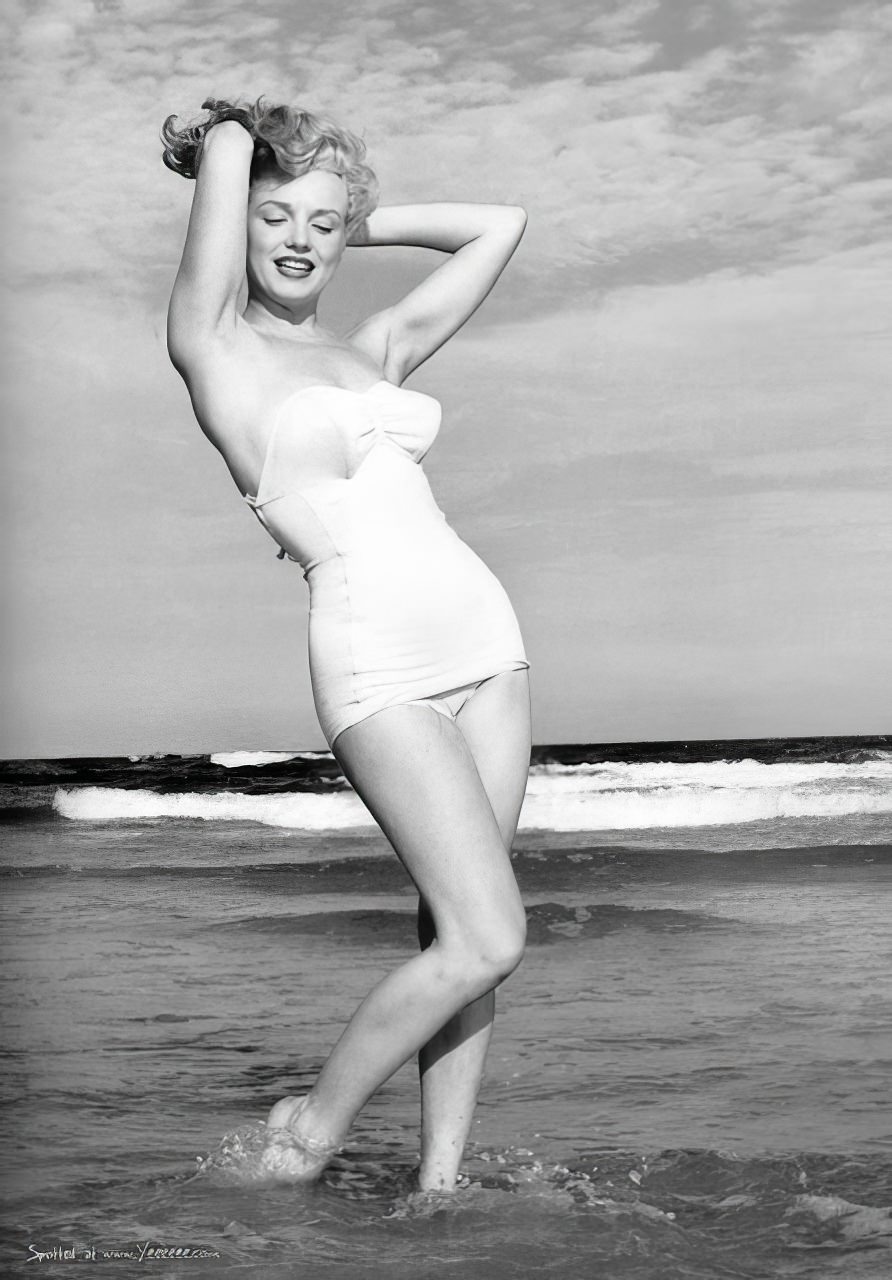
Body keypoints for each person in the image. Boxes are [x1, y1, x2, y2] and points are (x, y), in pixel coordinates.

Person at [162, 97, 531, 1192]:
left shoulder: (371, 346)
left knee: (459, 931)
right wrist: (245, 142)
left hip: (487, 639)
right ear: (234, 222)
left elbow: (499, 224)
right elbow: (227, 148)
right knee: (488, 933)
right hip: (377, 659)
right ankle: (305, 1129)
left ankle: (441, 1182)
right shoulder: (211, 345)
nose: (300, 240)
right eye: (275, 217)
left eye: (323, 224)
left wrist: (346, 211)